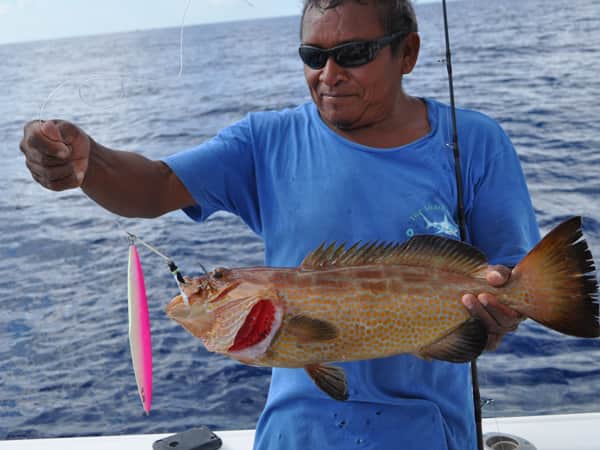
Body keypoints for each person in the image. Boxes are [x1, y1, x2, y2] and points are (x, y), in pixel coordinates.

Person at [20, 0, 540, 448]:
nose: (329, 73)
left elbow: (515, 279)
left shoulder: (474, 141)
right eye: (313, 57)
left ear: (408, 53)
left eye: (353, 54)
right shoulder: (264, 141)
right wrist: (89, 161)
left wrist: (498, 316)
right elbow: (155, 186)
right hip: (296, 433)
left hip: (432, 431)